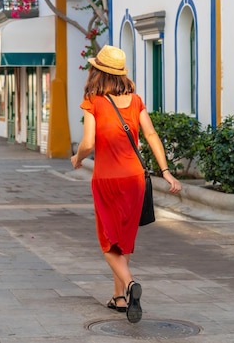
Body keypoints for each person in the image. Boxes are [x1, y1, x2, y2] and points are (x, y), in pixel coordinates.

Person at [70, 45, 181, 324]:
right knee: (124, 240)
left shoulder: (92, 101)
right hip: (135, 179)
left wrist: (77, 157)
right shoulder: (136, 101)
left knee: (108, 242)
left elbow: (89, 143)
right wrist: (165, 171)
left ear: (98, 72)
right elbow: (152, 134)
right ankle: (118, 298)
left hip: (107, 180)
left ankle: (130, 286)